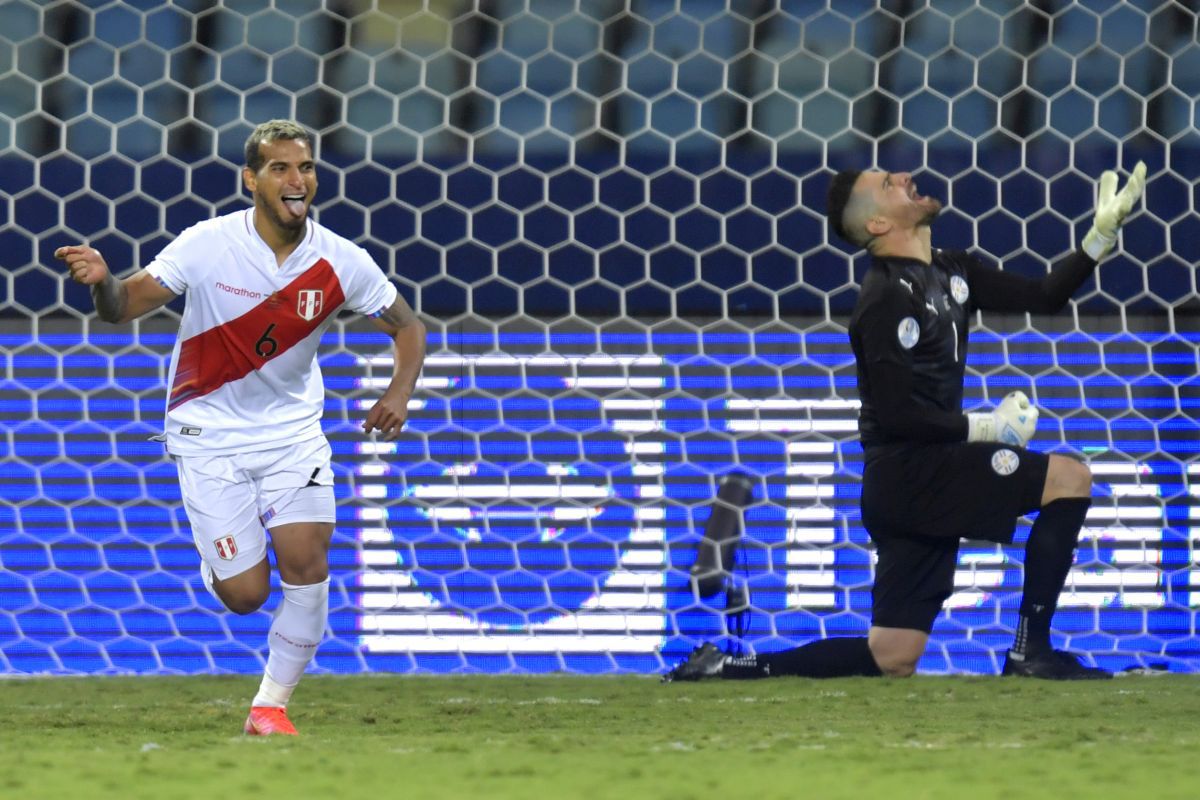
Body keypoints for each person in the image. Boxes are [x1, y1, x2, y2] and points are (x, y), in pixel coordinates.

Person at [665, 160, 1146, 682]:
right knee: (1070, 479)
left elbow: (1043, 296)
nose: (903, 177)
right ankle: (1032, 650)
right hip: (912, 474)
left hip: (913, 482)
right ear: (877, 225)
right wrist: (984, 428)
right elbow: (896, 417)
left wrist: (1099, 238)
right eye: (888, 184)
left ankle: (732, 666)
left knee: (891, 655)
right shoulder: (884, 300)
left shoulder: (951, 270)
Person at [56, 120, 427, 733]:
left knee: (308, 562)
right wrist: (104, 283)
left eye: (304, 167)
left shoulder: (340, 259)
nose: (296, 180)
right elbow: (125, 307)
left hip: (292, 435)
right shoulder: (207, 244)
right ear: (251, 179)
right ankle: (219, 557)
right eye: (280, 168)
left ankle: (269, 708)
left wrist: (400, 390)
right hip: (209, 436)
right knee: (246, 594)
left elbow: (407, 327)